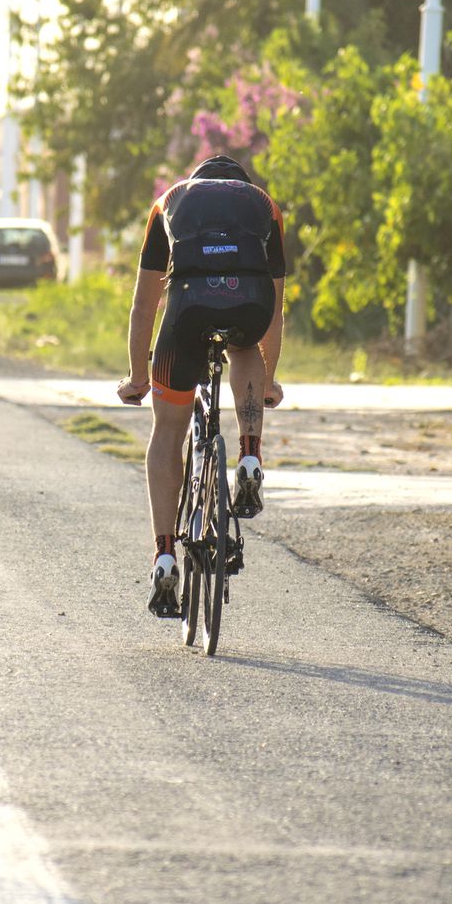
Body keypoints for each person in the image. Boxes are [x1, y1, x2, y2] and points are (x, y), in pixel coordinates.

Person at [117, 155, 286, 617]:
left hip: (187, 311)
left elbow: (144, 307)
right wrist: (268, 381)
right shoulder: (263, 205)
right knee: (246, 346)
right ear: (241, 186)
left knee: (168, 431)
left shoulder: (170, 201)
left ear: (199, 182)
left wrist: (137, 377)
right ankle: (250, 451)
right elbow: (275, 311)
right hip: (249, 304)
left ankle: (166, 554)